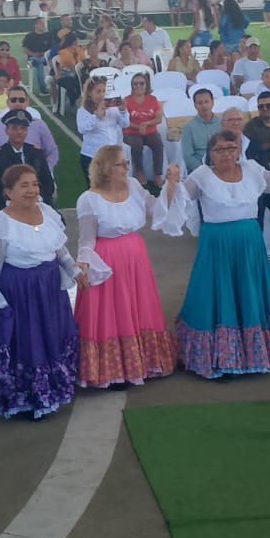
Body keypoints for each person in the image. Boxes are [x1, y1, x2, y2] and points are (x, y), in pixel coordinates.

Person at [0, 162, 81, 419]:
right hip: (19, 291)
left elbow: (59, 248)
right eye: (24, 185)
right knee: (27, 342)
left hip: (50, 288)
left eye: (35, 184)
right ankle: (28, 398)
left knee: (51, 336)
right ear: (8, 192)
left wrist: (74, 270)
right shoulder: (1, 220)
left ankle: (53, 389)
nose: (32, 190)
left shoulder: (47, 212)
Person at [155, 135, 270, 378]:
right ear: (211, 154)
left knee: (249, 291)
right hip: (217, 244)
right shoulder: (202, 175)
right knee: (217, 293)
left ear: (238, 150)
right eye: (220, 149)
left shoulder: (252, 169)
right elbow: (179, 198)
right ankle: (218, 356)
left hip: (249, 242)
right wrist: (172, 182)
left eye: (231, 148)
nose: (226, 153)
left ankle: (253, 352)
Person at [71, 146, 175, 390]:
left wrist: (171, 185)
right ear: (106, 168)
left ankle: (144, 362)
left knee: (138, 307)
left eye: (127, 163)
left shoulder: (134, 187)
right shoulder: (88, 199)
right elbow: (86, 239)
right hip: (107, 261)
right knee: (112, 312)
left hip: (135, 258)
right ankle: (114, 371)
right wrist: (82, 264)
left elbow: (158, 209)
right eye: (121, 164)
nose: (127, 167)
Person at [0, 107, 56, 215]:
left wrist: (39, 198)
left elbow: (47, 183)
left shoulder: (36, 152)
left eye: (23, 128)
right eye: (14, 128)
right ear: (7, 130)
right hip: (9, 206)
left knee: (58, 220)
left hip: (37, 202)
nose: (19, 132)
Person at [76, 75, 128, 180]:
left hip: (111, 156)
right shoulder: (83, 110)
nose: (101, 95)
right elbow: (82, 129)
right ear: (90, 93)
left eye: (103, 91)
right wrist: (96, 116)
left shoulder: (112, 108)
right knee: (96, 187)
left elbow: (125, 124)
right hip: (92, 156)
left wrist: (123, 111)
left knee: (113, 185)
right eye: (98, 91)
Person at [121, 71, 164, 187]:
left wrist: (145, 124)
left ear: (146, 85)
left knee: (158, 144)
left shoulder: (153, 99)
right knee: (136, 145)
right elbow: (124, 121)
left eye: (141, 83)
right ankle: (139, 172)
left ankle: (157, 174)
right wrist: (138, 126)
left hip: (150, 131)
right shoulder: (126, 100)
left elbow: (158, 118)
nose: (138, 86)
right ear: (132, 86)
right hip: (131, 132)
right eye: (135, 84)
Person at [180, 86, 222, 173]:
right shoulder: (188, 127)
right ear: (195, 106)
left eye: (207, 102)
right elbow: (188, 156)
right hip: (199, 171)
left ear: (212, 103)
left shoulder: (222, 124)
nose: (204, 105)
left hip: (222, 167)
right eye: (200, 103)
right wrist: (205, 171)